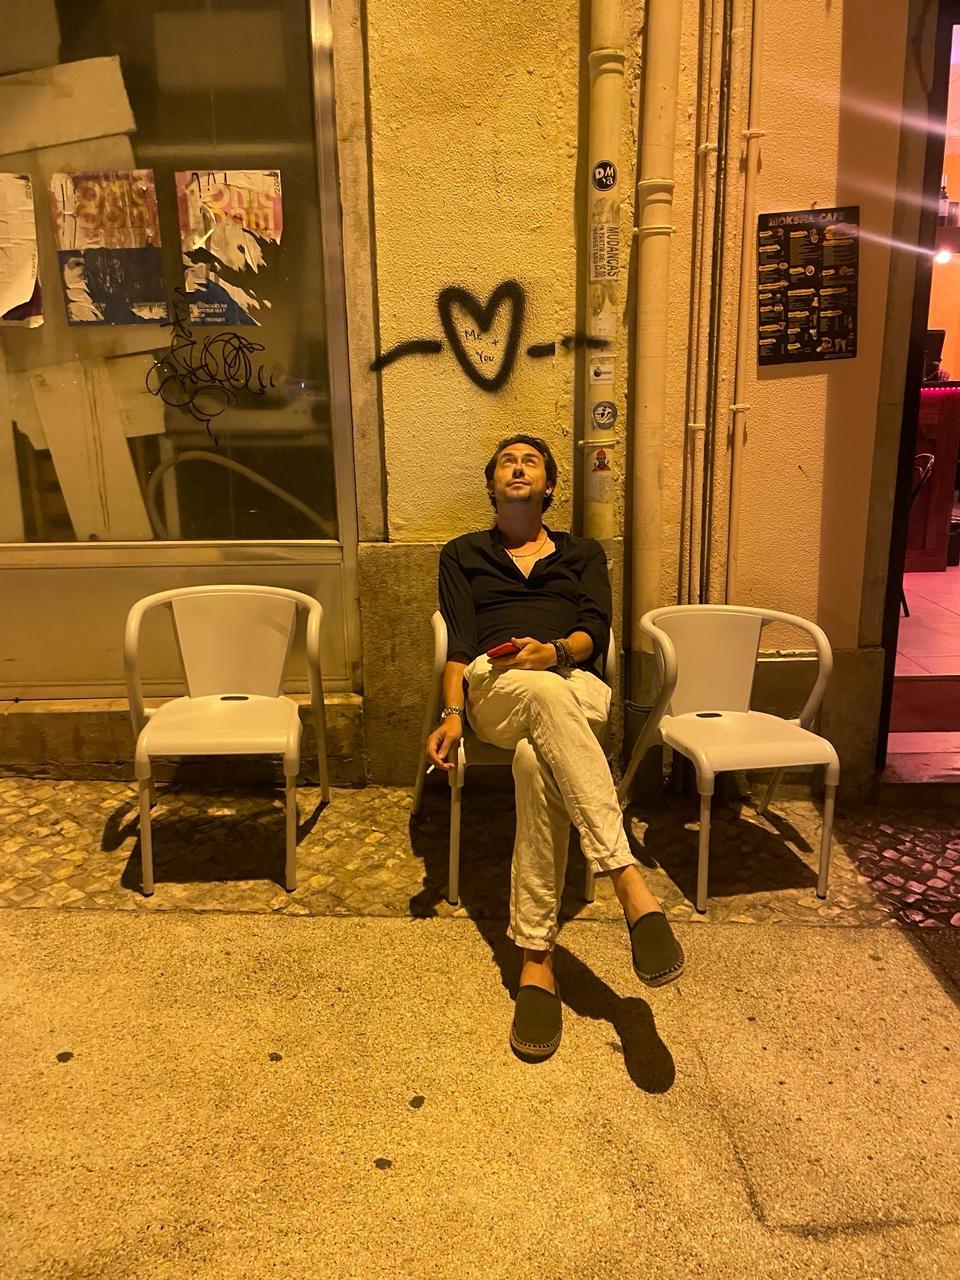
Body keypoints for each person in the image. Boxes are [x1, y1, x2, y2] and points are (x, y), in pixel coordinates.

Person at [425, 433, 684, 1062]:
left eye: (530, 461)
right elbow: (460, 645)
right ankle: (627, 881)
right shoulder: (461, 554)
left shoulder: (583, 553)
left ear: (549, 488)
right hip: (498, 686)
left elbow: (597, 629)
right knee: (537, 701)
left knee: (537, 759)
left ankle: (535, 958)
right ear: (491, 486)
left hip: (574, 682)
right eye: (506, 463)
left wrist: (559, 653)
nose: (517, 468)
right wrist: (453, 713)